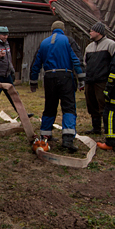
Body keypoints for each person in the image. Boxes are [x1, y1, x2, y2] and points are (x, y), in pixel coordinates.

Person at [29, 20, 85, 152]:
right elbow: (76, 60)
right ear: (63, 30)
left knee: (49, 106)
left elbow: (36, 63)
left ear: (51, 30)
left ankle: (45, 135)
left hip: (49, 78)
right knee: (68, 107)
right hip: (65, 76)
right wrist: (81, 78)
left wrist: (33, 81)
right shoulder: (67, 41)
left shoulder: (44, 42)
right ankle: (68, 139)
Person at [83, 22, 115, 135]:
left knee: (103, 105)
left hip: (102, 81)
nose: (90, 33)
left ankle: (108, 129)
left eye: (92, 31)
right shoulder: (89, 47)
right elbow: (85, 63)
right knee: (92, 105)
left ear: (98, 32)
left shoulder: (110, 45)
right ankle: (96, 128)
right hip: (90, 81)